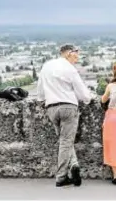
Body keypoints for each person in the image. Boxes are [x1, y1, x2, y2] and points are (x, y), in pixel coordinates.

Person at [36, 45, 94, 187]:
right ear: (68, 53)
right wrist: (90, 98)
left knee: (65, 140)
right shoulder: (69, 68)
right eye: (76, 54)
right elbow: (83, 94)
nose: (77, 57)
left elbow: (40, 92)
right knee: (66, 141)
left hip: (51, 108)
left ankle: (74, 165)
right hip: (68, 106)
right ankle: (61, 177)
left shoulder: (47, 66)